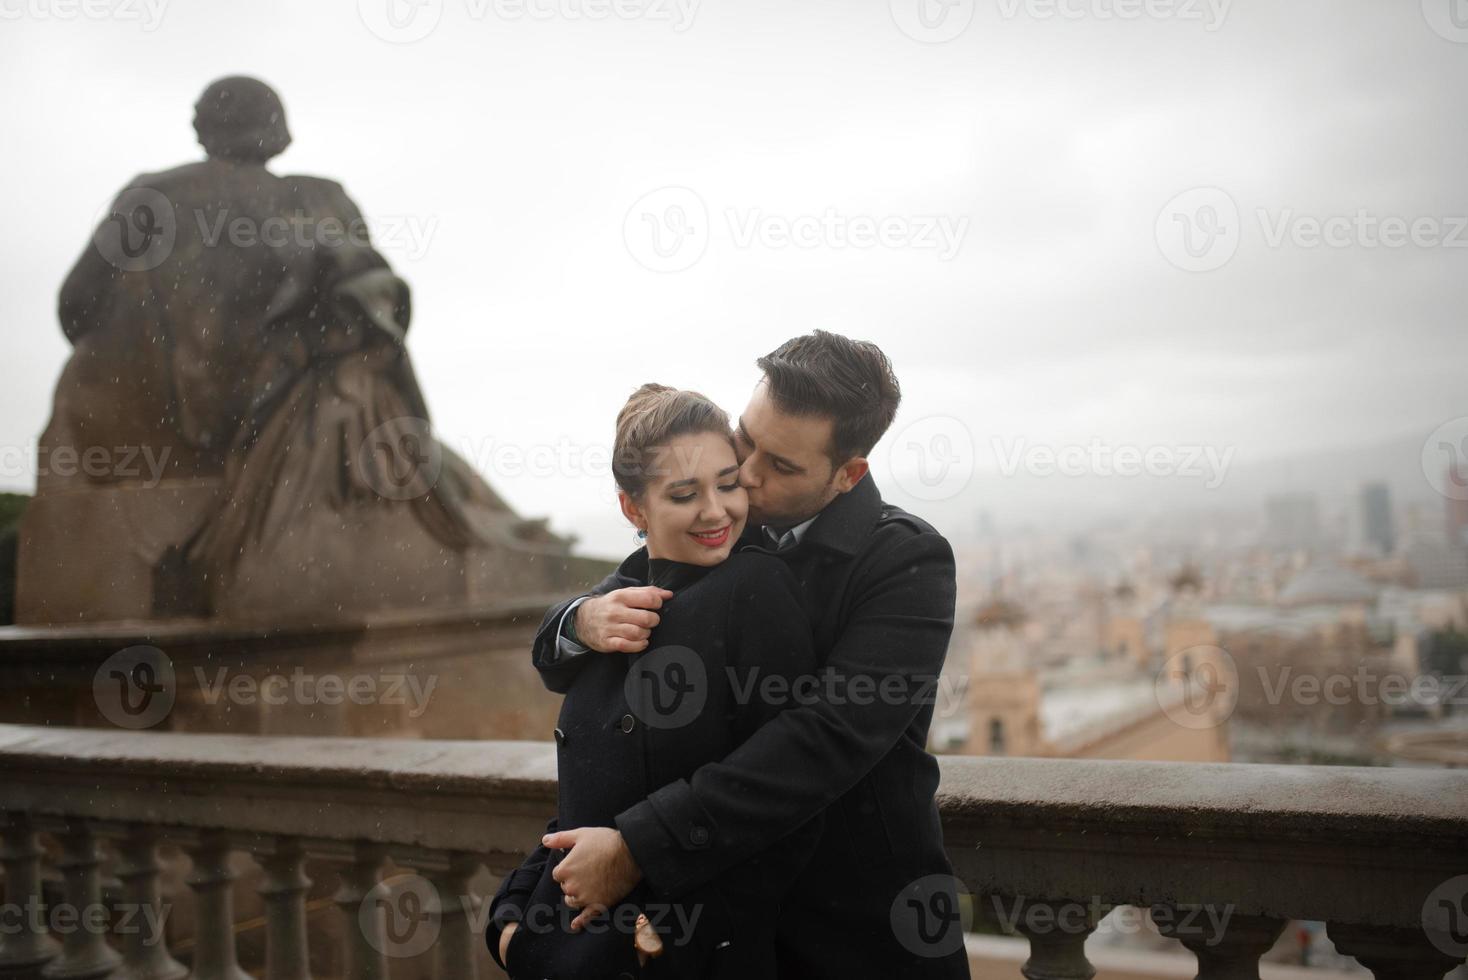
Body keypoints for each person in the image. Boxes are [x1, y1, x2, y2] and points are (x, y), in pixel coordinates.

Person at [521, 331, 970, 978]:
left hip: (860, 928)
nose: (748, 477)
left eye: (781, 466)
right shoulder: (724, 518)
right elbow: (573, 643)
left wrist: (642, 845)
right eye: (746, 440)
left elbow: (828, 738)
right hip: (726, 923)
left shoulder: (906, 560)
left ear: (848, 474)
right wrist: (577, 619)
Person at [487, 384, 823, 978]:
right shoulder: (619, 593)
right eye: (685, 494)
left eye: (728, 483)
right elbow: (588, 790)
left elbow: (782, 789)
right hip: (568, 941)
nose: (717, 511)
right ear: (633, 509)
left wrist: (671, 939)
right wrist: (513, 916)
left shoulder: (756, 590)